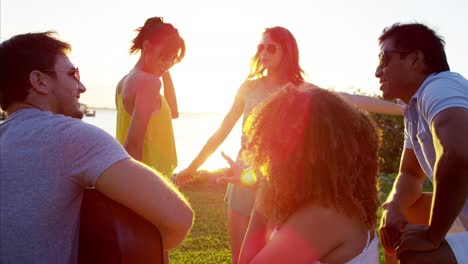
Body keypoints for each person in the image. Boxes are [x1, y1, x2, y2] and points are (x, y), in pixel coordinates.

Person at [173, 26, 403, 263]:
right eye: (260, 47)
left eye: (271, 47)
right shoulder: (249, 88)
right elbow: (222, 130)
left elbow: (346, 100)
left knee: (290, 243)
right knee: (242, 253)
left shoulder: (300, 90)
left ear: (287, 52)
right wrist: (192, 167)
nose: (263, 53)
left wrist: (402, 108)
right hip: (245, 173)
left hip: (288, 177)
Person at [0, 31, 193, 263]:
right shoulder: (72, 136)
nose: (81, 87)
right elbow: (179, 218)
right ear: (40, 81)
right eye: (73, 74)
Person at [219, 86, 380, 263]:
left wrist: (264, 193)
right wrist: (258, 186)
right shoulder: (335, 202)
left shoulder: (323, 217)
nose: (267, 158)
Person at [376, 22, 468, 264]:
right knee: (404, 216)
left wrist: (433, 235)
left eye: (385, 59)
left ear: (415, 59)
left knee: (414, 254)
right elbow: (410, 174)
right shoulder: (414, 108)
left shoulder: (439, 88)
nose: (377, 71)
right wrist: (393, 206)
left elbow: (458, 153)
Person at [115, 17, 184, 178]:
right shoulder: (148, 83)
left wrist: (163, 71)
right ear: (147, 46)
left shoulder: (123, 82)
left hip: (151, 179)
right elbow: (133, 146)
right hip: (150, 181)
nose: (168, 63)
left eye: (173, 59)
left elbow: (173, 112)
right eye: (165, 56)